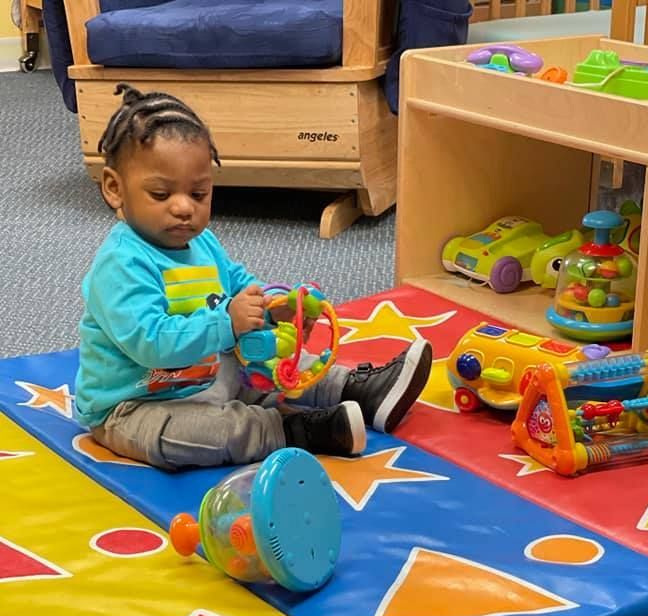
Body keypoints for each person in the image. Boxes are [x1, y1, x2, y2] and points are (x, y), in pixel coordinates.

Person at [74, 84, 432, 470]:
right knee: (203, 434)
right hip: (135, 405)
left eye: (199, 194)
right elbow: (151, 342)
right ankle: (298, 431)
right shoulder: (121, 264)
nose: (183, 208)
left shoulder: (203, 243)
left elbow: (239, 285)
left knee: (268, 369)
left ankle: (358, 389)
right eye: (161, 194)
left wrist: (274, 308)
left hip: (207, 377)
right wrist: (228, 321)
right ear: (114, 188)